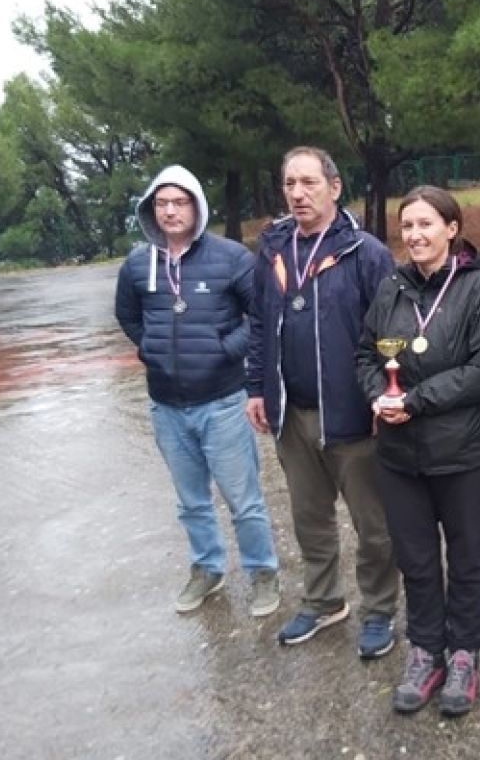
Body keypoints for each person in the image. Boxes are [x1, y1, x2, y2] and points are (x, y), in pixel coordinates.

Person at [355, 186, 480, 718]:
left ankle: (464, 653)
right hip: (399, 457)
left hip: (464, 454)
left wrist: (413, 401)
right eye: (408, 226)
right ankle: (425, 651)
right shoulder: (390, 288)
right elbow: (365, 354)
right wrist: (378, 394)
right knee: (416, 560)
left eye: (426, 224)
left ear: (451, 228)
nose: (415, 235)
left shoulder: (479, 287)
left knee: (467, 557)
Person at [246, 146, 400, 659]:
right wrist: (255, 387)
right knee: (309, 519)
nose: (298, 193)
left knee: (373, 525)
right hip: (292, 415)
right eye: (290, 183)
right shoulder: (272, 249)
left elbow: (391, 332)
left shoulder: (365, 252)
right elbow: (259, 323)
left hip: (353, 416)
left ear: (334, 188)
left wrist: (384, 398)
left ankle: (379, 609)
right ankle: (324, 600)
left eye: (309, 182)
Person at [115, 164, 281, 617]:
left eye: (179, 202)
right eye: (161, 203)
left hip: (223, 403)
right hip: (167, 407)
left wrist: (225, 349)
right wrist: (150, 348)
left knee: (243, 501)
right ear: (151, 210)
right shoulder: (137, 264)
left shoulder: (230, 258)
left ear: (197, 207)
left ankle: (262, 572)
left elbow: (262, 315)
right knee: (191, 502)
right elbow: (128, 316)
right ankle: (207, 568)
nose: (170, 211)